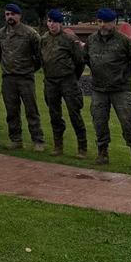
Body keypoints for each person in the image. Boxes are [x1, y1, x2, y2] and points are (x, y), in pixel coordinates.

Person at [85, 8, 131, 169]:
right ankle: (102, 153)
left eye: (106, 22)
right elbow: (86, 58)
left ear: (114, 23)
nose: (103, 25)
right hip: (98, 89)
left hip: (120, 89)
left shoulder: (124, 41)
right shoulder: (91, 40)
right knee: (99, 121)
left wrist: (123, 75)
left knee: (127, 121)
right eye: (100, 22)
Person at [0, 3, 45, 151]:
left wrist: (30, 68)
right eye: (7, 14)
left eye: (13, 14)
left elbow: (39, 55)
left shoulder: (30, 33)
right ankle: (16, 139)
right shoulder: (0, 34)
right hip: (8, 78)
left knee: (31, 110)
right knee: (11, 111)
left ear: (19, 15)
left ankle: (38, 140)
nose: (10, 17)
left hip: (25, 78)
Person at [40, 9, 87, 158]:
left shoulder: (69, 38)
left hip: (68, 80)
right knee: (54, 114)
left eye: (55, 21)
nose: (52, 24)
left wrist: (73, 77)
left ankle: (82, 147)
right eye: (49, 21)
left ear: (60, 23)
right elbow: (42, 59)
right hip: (50, 81)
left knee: (74, 113)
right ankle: (58, 145)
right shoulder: (44, 39)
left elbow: (80, 61)